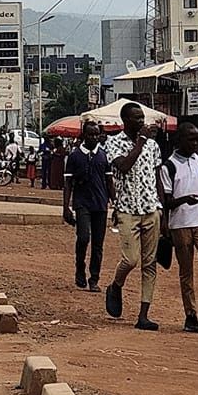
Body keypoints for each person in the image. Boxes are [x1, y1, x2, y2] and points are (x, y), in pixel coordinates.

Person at [103, 103, 164, 331]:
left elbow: (157, 177)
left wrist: (162, 208)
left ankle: (143, 314)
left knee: (150, 263)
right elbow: (124, 166)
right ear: (125, 120)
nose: (141, 122)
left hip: (150, 208)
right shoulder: (113, 143)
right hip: (127, 209)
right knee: (130, 260)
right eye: (136, 118)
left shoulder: (153, 146)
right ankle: (116, 285)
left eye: (142, 118)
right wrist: (141, 141)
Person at [159, 123, 198, 332]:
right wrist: (183, 200)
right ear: (179, 141)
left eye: (197, 139)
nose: (195, 143)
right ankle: (190, 314)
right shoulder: (169, 166)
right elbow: (167, 201)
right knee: (186, 271)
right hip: (180, 223)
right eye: (191, 139)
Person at [63, 120, 113, 290]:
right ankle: (80, 268)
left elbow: (109, 180)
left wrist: (115, 202)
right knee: (83, 237)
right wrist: (66, 207)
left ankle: (94, 279)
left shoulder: (103, 155)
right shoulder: (75, 156)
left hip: (100, 204)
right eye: (91, 134)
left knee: (98, 244)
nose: (94, 137)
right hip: (82, 202)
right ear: (84, 135)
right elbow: (68, 183)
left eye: (96, 134)